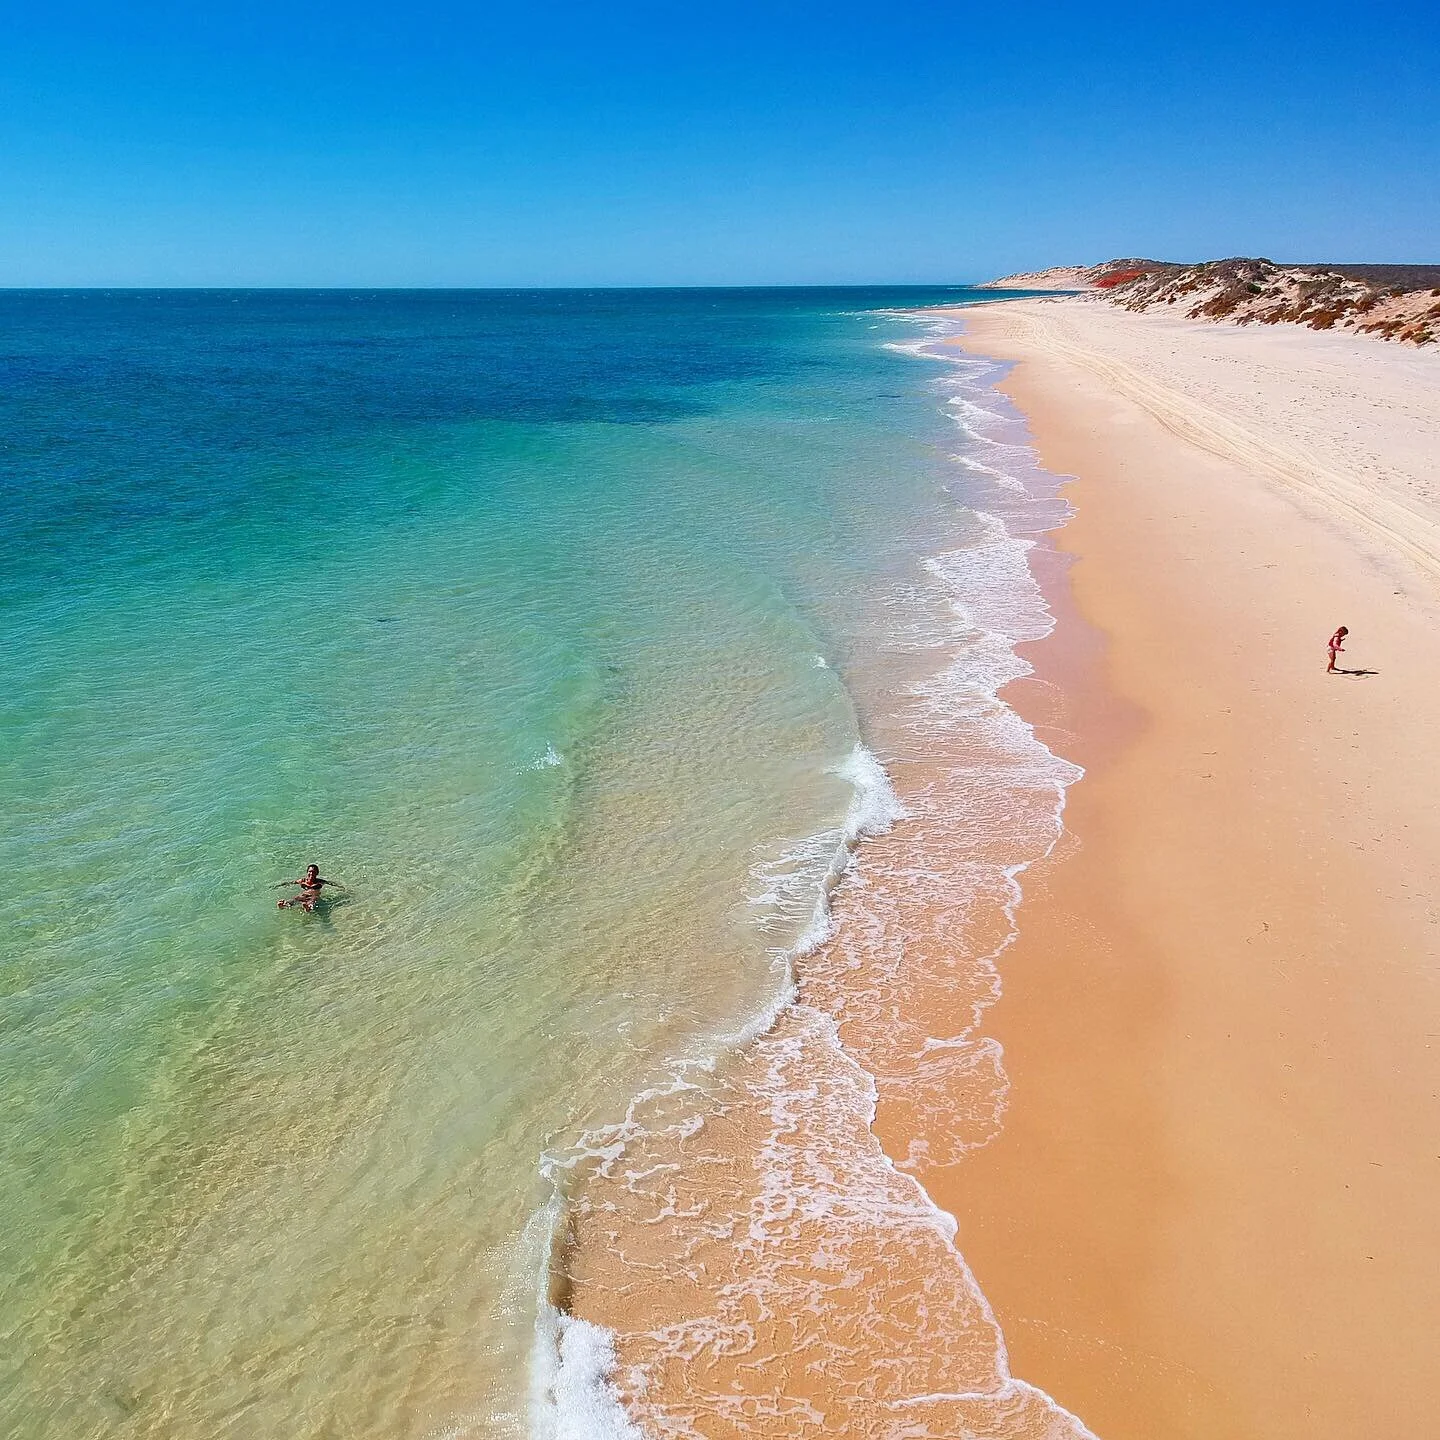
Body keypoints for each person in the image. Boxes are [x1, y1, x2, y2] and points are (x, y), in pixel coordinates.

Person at [275, 863, 345, 911]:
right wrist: (277, 886)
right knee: (296, 898)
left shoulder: (320, 881)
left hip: (313, 895)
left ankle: (308, 907)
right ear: (307, 872)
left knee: (313, 899)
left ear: (317, 873)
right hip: (303, 895)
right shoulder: (302, 881)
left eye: (314, 872)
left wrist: (342, 887)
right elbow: (290, 883)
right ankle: (284, 905)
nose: (311, 873)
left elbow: (331, 883)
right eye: (310, 871)